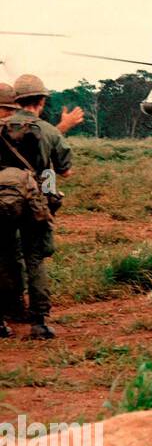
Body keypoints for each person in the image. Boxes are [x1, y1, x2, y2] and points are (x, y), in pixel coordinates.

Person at [0, 75, 73, 339]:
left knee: (4, 257)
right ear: (41, 101)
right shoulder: (50, 131)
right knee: (35, 259)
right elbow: (65, 172)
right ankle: (39, 323)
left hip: (2, 201)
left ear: (16, 101)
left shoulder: (0, 128)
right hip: (35, 203)